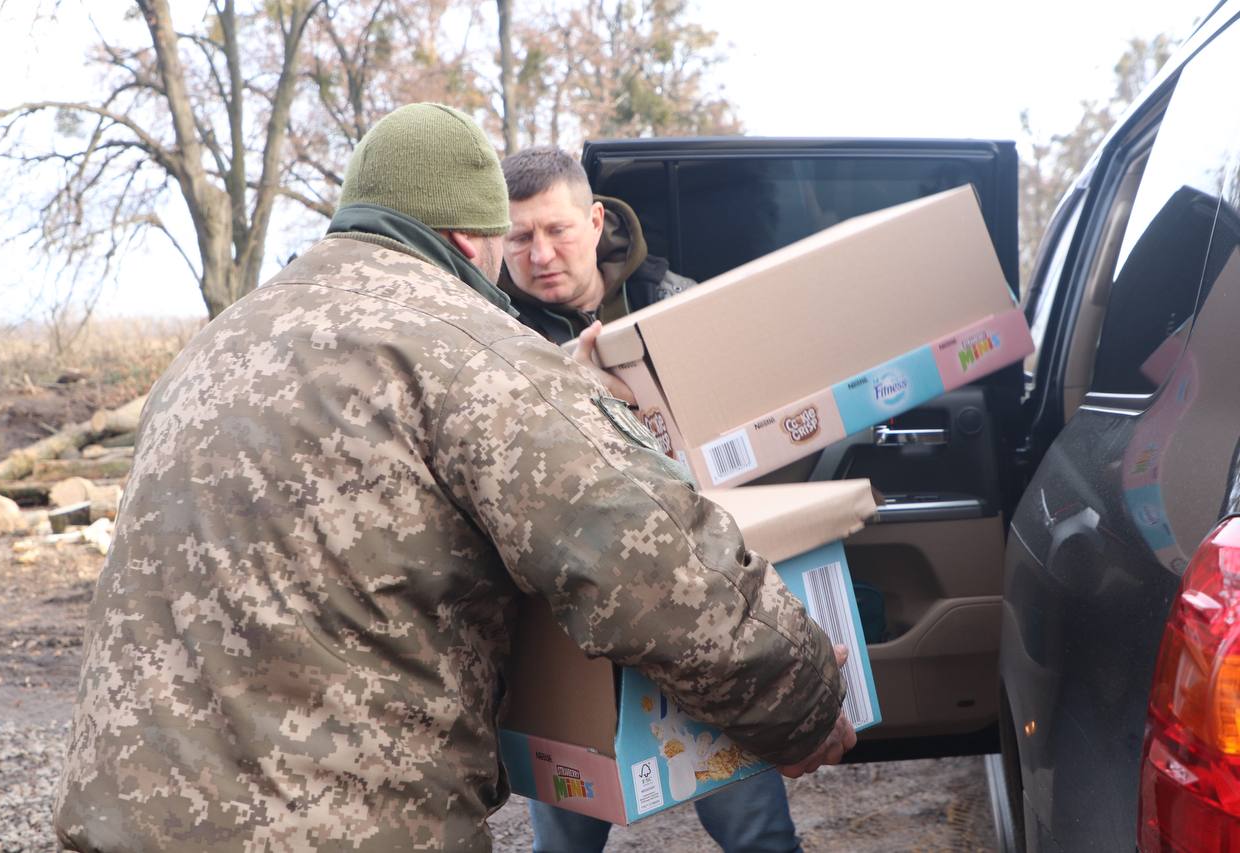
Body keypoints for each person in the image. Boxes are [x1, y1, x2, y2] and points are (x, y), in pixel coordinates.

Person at [53, 103, 854, 852]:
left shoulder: (212, 348)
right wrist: (804, 702)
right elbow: (650, 563)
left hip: (125, 815)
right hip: (336, 827)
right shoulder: (468, 349)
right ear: (474, 239)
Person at [500, 146, 808, 853]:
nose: (540, 253)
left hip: (695, 610)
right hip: (566, 626)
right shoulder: (493, 337)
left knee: (756, 831)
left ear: (596, 218)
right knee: (564, 843)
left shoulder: (675, 303)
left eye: (557, 229)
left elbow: (758, 435)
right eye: (519, 237)